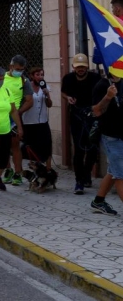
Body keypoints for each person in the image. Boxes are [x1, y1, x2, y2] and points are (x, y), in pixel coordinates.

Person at [61, 53, 102, 194]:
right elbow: (63, 92)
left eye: (83, 67)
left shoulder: (95, 78)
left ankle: (86, 175)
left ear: (87, 67)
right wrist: (68, 98)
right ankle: (79, 181)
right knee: (78, 149)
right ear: (74, 67)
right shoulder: (68, 78)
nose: (80, 69)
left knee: (92, 148)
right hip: (76, 116)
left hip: (92, 117)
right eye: (78, 67)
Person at [0, 65, 23, 196]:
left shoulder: (6, 90)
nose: (1, 81)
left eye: (2, 78)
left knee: (3, 158)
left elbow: (13, 111)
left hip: (5, 131)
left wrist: (19, 126)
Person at [89, 72, 122, 215]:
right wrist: (108, 97)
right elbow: (96, 110)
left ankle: (98, 201)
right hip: (111, 136)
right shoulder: (102, 85)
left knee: (113, 170)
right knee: (120, 174)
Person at [1, 55, 34, 187]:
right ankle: (8, 170)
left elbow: (29, 101)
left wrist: (17, 113)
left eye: (22, 69)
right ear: (11, 66)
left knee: (15, 146)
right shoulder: (1, 77)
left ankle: (18, 173)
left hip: (14, 118)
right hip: (0, 117)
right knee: (3, 147)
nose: (19, 71)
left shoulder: (24, 81)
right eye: (17, 68)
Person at [22, 67, 53, 172]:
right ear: (32, 76)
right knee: (31, 147)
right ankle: (33, 170)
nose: (40, 77)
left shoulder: (45, 87)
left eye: (42, 75)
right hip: (29, 122)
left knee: (47, 144)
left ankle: (48, 169)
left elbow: (50, 104)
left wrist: (47, 94)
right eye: (37, 75)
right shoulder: (26, 87)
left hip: (43, 122)